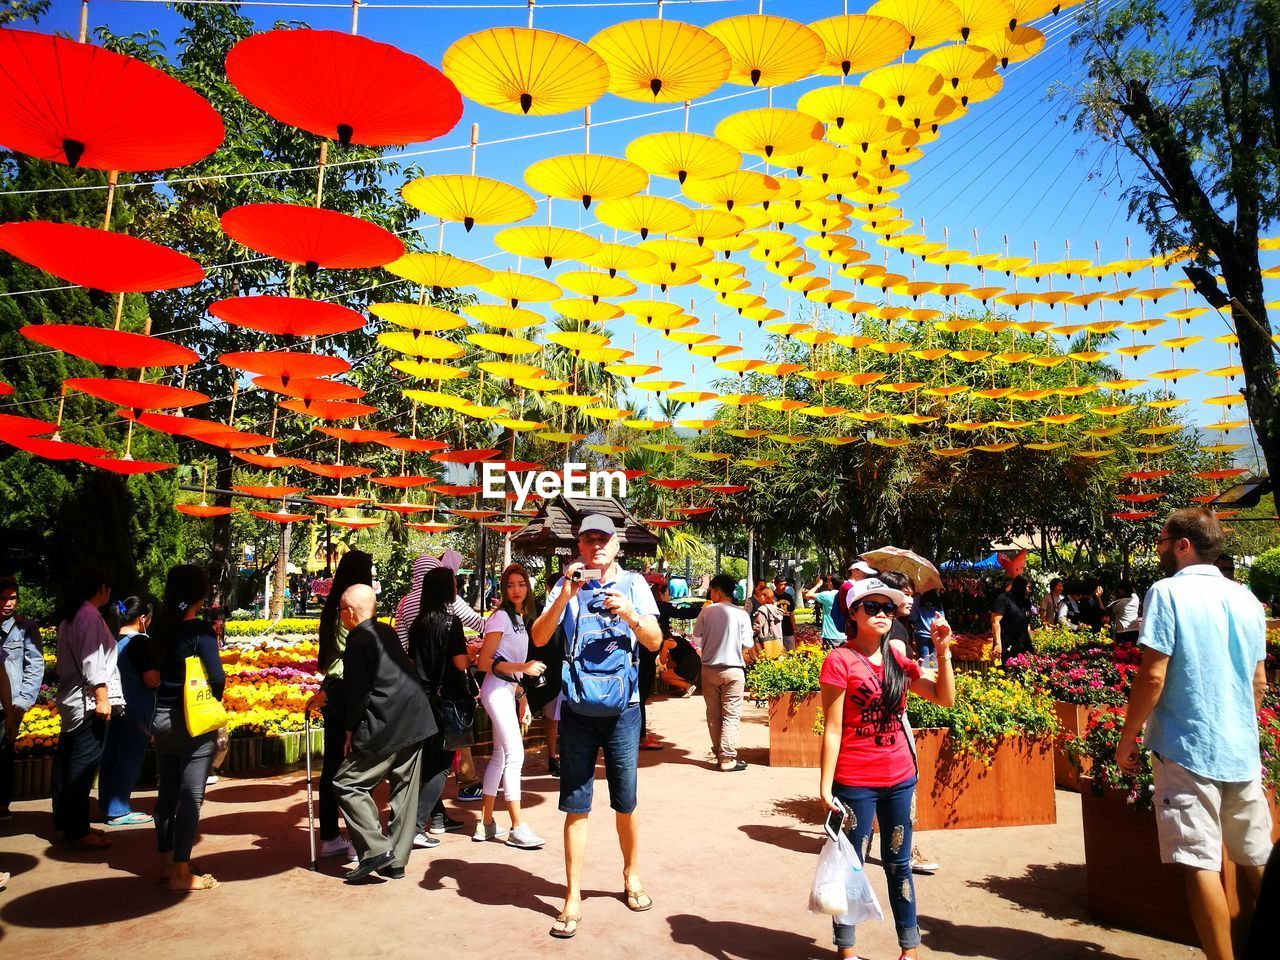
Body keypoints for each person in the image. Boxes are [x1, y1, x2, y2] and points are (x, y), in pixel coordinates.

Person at [1116, 508, 1271, 960]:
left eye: (1163, 539)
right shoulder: (1246, 597)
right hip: (1241, 747)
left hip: (1187, 746)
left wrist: (1129, 736)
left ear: (1184, 544)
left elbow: (1153, 675)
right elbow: (1259, 681)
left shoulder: (1166, 592)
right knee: (1255, 854)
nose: (1159, 547)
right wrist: (1239, 723)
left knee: (1199, 861)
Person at [530, 513, 662, 939]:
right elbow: (538, 637)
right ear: (579, 546)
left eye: (603, 540)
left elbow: (656, 641)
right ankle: (572, 896)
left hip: (625, 709)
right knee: (575, 804)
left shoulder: (635, 585)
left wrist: (629, 614)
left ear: (616, 545)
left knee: (626, 801)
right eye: (588, 540)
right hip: (578, 710)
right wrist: (564, 594)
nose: (596, 547)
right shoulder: (566, 583)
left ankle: (631, 874)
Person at [819, 577, 956, 960]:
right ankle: (847, 952)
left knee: (899, 866)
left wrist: (943, 653)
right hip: (855, 781)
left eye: (888, 609)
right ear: (854, 613)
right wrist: (825, 787)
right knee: (852, 866)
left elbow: (944, 698)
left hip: (899, 778)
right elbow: (832, 728)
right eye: (872, 607)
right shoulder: (839, 660)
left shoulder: (897, 656)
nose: (882, 614)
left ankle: (908, 951)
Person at [333, 584, 434, 883]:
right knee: (404, 789)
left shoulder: (357, 641)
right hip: (415, 716)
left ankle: (376, 849)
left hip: (388, 721)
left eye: (340, 610)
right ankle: (396, 861)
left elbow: (358, 693)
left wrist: (350, 729)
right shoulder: (386, 632)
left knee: (346, 782)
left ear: (349, 613)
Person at [150, 564, 224, 891]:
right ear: (200, 593)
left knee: (166, 794)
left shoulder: (160, 628)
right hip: (192, 721)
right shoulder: (200, 631)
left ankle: (167, 863)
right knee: (191, 796)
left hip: (161, 719)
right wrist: (212, 699)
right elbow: (217, 677)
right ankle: (182, 872)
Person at [395, 550, 487, 802]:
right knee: (453, 739)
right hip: (447, 686)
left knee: (430, 752)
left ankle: (432, 812)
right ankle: (467, 784)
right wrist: (499, 629)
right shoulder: (449, 609)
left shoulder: (405, 605)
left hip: (420, 684)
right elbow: (476, 623)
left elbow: (403, 645)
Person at [306, 549, 373, 864]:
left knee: (333, 764)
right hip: (349, 691)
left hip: (333, 690)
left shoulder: (332, 606)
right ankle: (361, 839)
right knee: (354, 767)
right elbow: (357, 656)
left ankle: (331, 835)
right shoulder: (351, 609)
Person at [474, 562, 546, 850]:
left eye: (521, 584)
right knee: (515, 754)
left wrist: (521, 694)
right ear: (503, 589)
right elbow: (484, 662)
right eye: (510, 585)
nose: (516, 589)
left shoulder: (517, 617)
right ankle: (517, 826)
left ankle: (487, 823)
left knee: (501, 756)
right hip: (495, 691)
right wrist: (524, 668)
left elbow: (509, 667)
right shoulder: (501, 617)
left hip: (507, 690)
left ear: (527, 588)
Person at [52, 566, 119, 851]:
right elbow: (93, 661)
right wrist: (102, 698)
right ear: (102, 588)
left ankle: (70, 823)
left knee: (69, 763)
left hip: (72, 699)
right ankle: (78, 830)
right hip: (87, 702)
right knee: (82, 765)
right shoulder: (89, 616)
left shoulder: (73, 615)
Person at [407, 565, 472, 851]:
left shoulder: (418, 624)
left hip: (420, 699)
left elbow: (413, 662)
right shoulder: (450, 622)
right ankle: (417, 825)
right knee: (442, 764)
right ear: (447, 590)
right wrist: (472, 654)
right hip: (445, 700)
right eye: (454, 584)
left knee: (429, 760)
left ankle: (438, 817)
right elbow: (460, 663)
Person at [98, 596, 160, 826]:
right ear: (142, 618)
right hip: (136, 707)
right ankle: (118, 809)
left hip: (112, 705)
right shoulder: (141, 642)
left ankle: (106, 804)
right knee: (130, 756)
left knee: (110, 755)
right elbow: (151, 679)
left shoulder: (111, 638)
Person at [693, 573, 754, 772]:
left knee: (713, 714)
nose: (711, 595)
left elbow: (697, 638)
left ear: (718, 592)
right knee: (731, 714)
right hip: (733, 670)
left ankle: (720, 753)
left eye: (711, 591)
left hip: (708, 669)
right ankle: (727, 758)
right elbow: (748, 643)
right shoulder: (741, 614)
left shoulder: (706, 611)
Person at [1, 579, 43, 822]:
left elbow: (35, 666)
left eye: (13, 597)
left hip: (10, 704)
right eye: (3, 598)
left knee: (4, 754)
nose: (8, 603)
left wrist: (23, 702)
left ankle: (2, 804)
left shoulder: (25, 628)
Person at [641, 582, 682, 751]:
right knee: (640, 697)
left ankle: (640, 734)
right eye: (668, 593)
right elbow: (684, 613)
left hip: (644, 657)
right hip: (643, 658)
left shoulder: (642, 609)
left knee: (640, 697)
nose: (669, 596)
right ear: (660, 593)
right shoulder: (658, 607)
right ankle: (640, 737)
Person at [991, 575, 1034, 662]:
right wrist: (998, 644)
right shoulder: (1003, 599)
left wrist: (1033, 642)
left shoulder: (1026, 602)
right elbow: (995, 622)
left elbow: (1027, 624)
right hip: (1007, 644)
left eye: (1031, 588)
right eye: (1028, 587)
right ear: (1020, 586)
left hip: (1023, 645)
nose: (1030, 591)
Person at [806, 574, 845, 648]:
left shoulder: (827, 595)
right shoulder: (845, 594)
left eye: (828, 581)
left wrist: (818, 585)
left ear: (831, 583)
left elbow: (808, 595)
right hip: (844, 635)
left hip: (831, 635)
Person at [909, 589, 945, 661]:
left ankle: (925, 670)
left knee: (923, 658)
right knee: (933, 659)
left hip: (921, 634)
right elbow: (942, 617)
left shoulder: (918, 599)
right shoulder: (937, 599)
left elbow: (913, 617)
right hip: (935, 633)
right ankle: (932, 670)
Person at [751, 585, 785, 659]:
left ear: (766, 597)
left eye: (760, 596)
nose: (758, 598)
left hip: (764, 643)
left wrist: (749, 635)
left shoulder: (763, 609)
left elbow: (757, 626)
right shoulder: (776, 609)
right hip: (777, 640)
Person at [772, 576, 797, 650]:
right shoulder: (772, 597)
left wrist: (794, 628)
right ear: (776, 585)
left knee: (791, 653)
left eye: (785, 584)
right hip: (776, 630)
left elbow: (791, 614)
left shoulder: (788, 597)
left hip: (788, 630)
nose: (783, 586)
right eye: (781, 584)